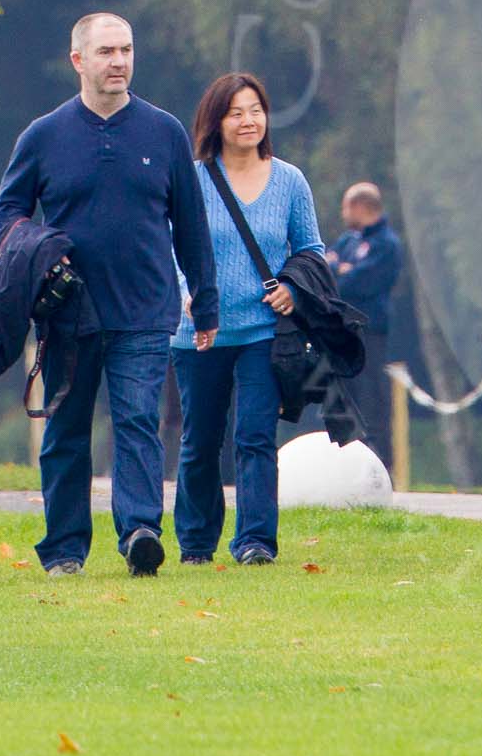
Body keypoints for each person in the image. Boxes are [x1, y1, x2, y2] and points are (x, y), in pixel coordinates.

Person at [0, 12, 218, 577]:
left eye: (126, 50)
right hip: (68, 315)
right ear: (78, 61)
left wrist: (207, 303)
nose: (119, 62)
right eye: (106, 52)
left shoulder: (164, 132)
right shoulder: (43, 136)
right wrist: (37, 253)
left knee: (138, 420)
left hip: (145, 310)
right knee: (66, 431)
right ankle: (65, 549)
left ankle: (141, 530)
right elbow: (9, 211)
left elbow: (191, 224)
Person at [171, 72, 325, 566]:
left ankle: (256, 541)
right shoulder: (190, 179)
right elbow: (166, 248)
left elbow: (310, 251)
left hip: (264, 332)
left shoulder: (289, 180)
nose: (247, 121)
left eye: (255, 110)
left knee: (255, 436)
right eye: (235, 112)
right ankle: (195, 543)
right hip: (199, 332)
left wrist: (293, 290)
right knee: (201, 439)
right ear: (215, 120)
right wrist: (185, 293)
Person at [329, 182, 402, 461]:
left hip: (370, 332)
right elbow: (327, 267)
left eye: (346, 206)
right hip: (341, 331)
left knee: (372, 399)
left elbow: (359, 283)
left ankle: (381, 462)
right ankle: (347, 460)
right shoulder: (350, 240)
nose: (343, 213)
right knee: (343, 399)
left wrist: (343, 272)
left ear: (359, 206)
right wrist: (339, 269)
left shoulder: (387, 244)